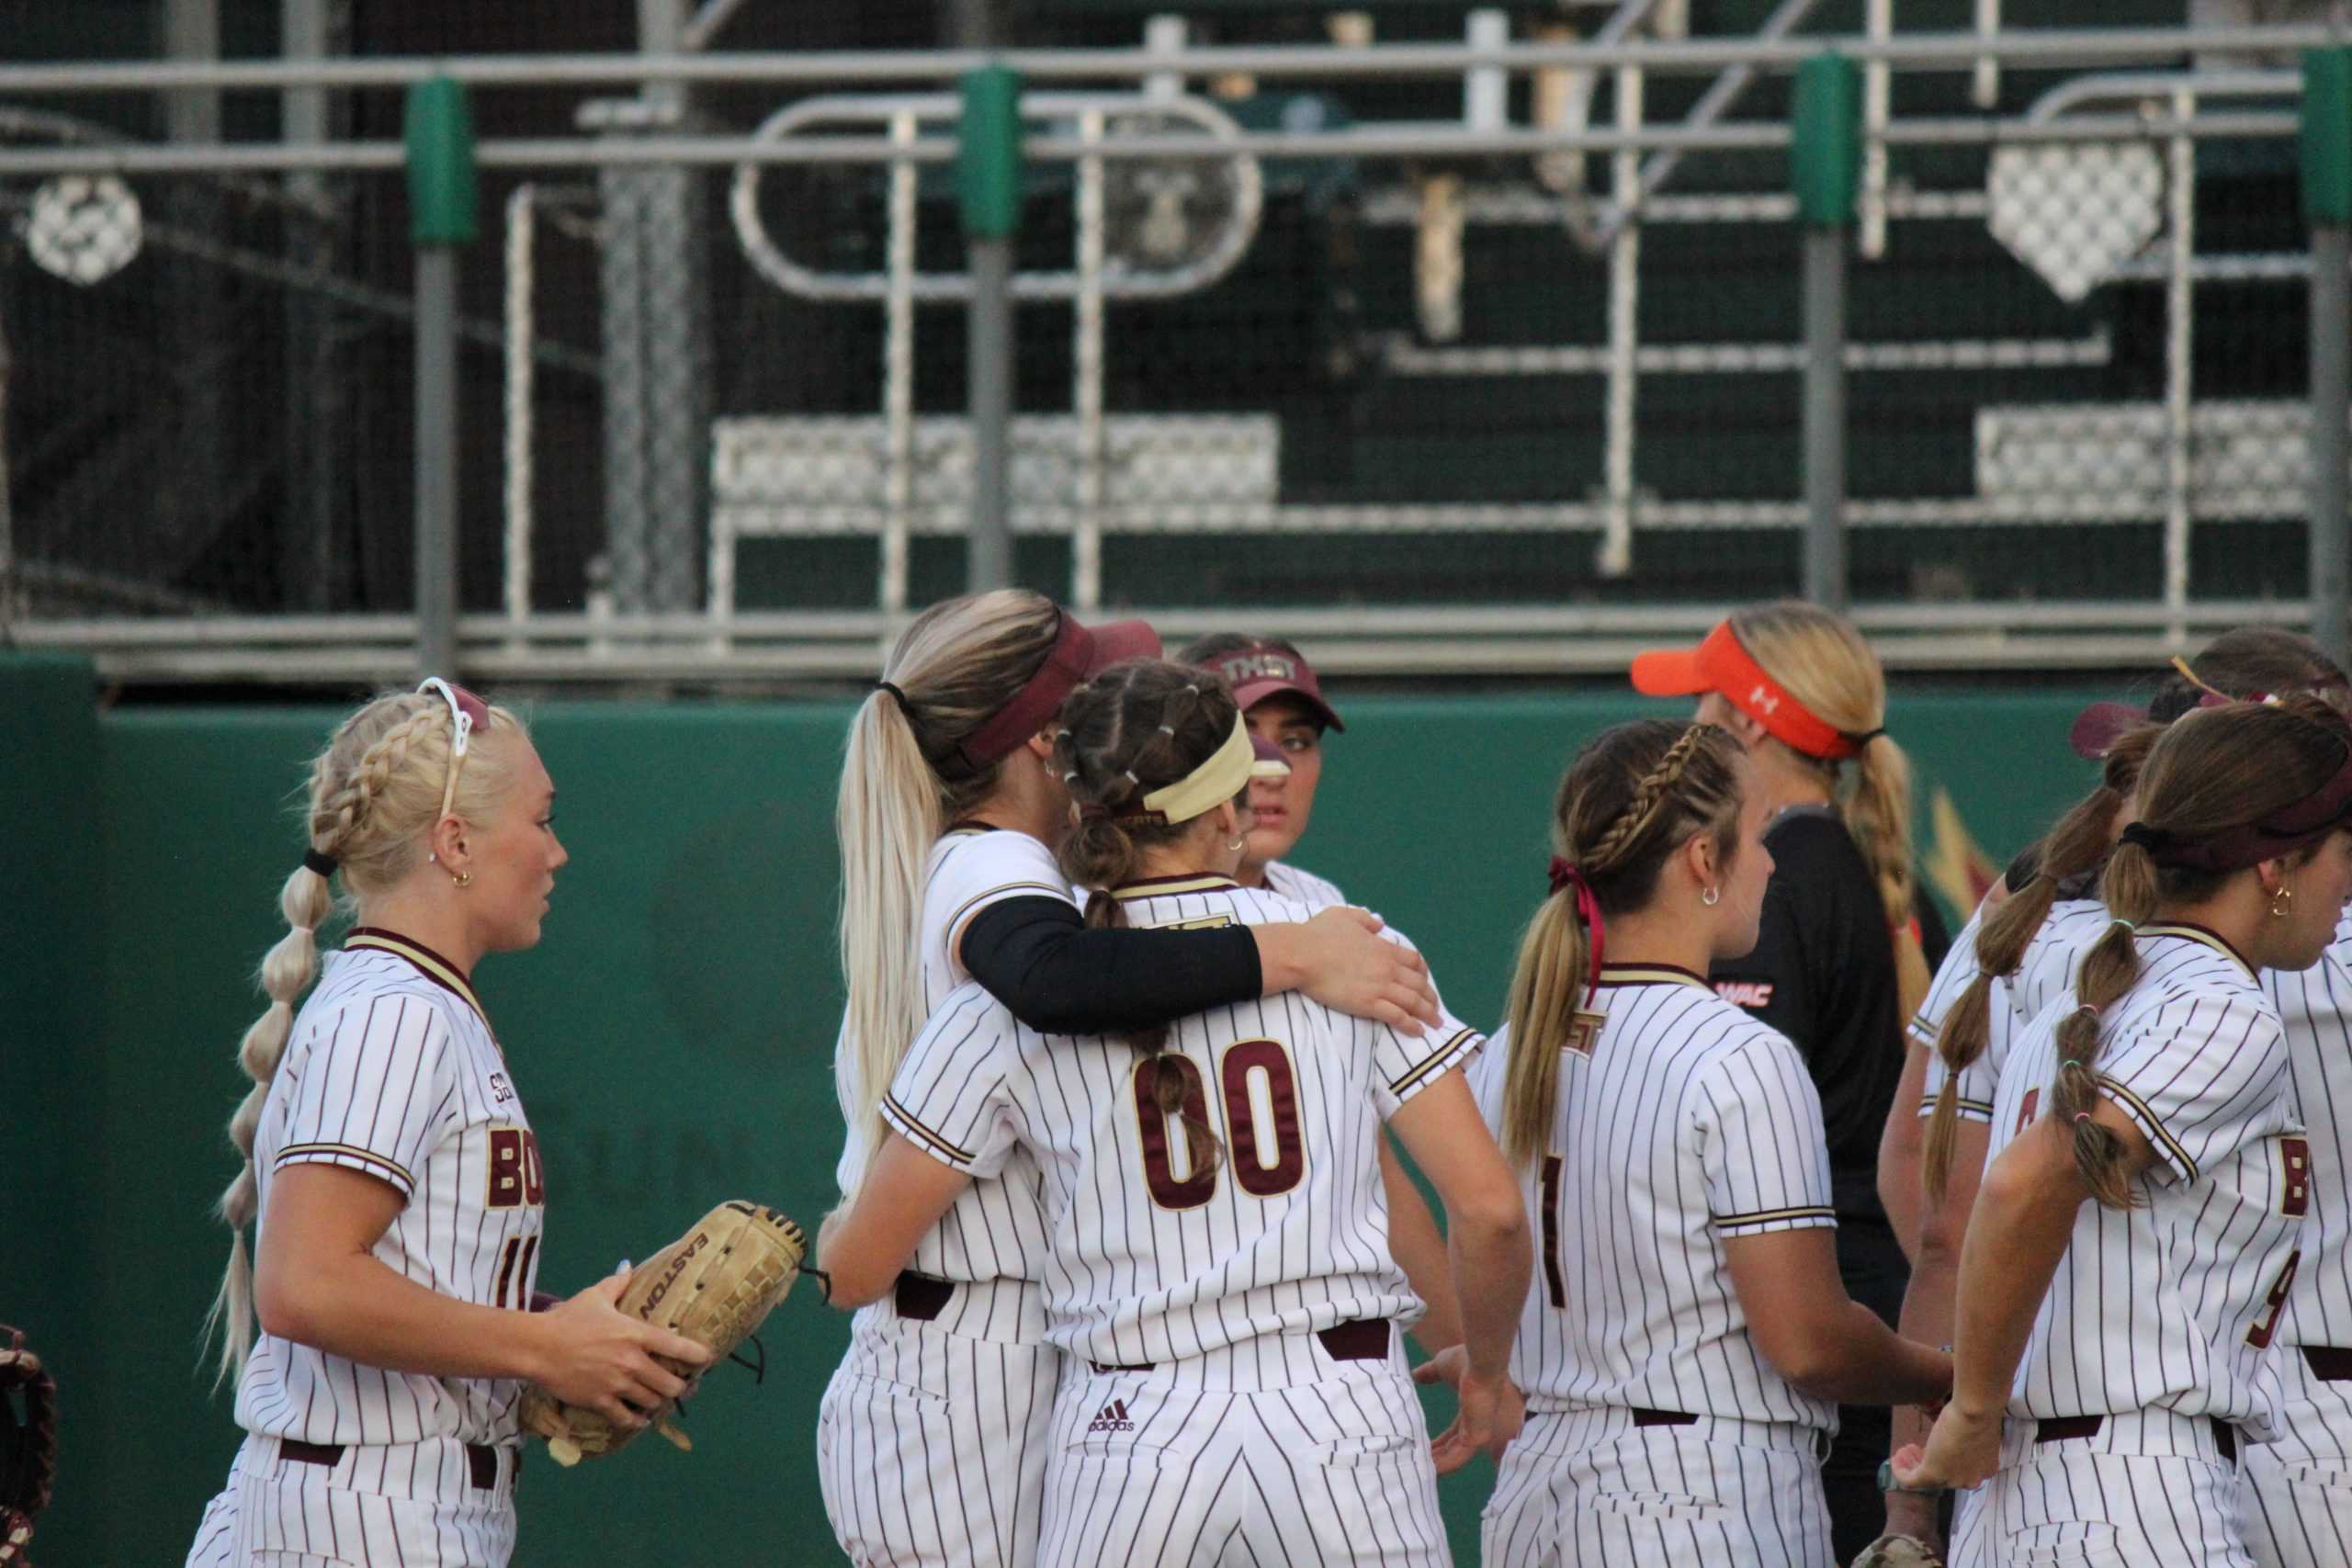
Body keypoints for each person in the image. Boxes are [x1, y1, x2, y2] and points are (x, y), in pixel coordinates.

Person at [819, 659, 1532, 1567]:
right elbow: (1490, 1210)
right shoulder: (1353, 950)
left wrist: (818, 1261)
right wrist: (1490, 1369)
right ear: (1231, 807)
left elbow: (860, 1268)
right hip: (1339, 1408)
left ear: (1077, 808)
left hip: (1129, 1425)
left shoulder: (1007, 1000)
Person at [183, 682, 710, 1568]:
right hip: (360, 1517)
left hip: (390, 1506)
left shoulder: (419, 1003)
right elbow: (304, 1283)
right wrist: (545, 1348)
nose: (558, 852)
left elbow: (394, 1276)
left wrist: (586, 1337)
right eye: (542, 820)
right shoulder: (394, 1012)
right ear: (455, 841)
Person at [1881, 629, 2349, 1561]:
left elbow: (1958, 1209)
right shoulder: (2216, 1004)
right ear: (2272, 867)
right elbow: (2018, 1187)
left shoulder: (2080, 976)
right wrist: (1970, 1406)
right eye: (2340, 848)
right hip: (2133, 1482)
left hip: (2034, 1491)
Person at [1456, 717, 1950, 1566]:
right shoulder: (1740, 1056)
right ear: (1700, 860)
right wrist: (1947, 1376)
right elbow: (1808, 1340)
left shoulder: (1512, 1046)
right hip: (1698, 1498)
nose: (1769, 862)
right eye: (1757, 836)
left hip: (1539, 1489)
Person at [1628, 602, 1931, 1559]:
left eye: (1704, 702)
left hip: (1815, 1315)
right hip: (1869, 1297)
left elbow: (1738, 1123)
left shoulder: (1777, 881)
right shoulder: (1880, 869)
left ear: (1751, 719)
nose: (1691, 726)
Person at [1179, 633, 1349, 905]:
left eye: (1294, 742)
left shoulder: (1325, 902)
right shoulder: (1097, 918)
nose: (1273, 774)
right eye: (1241, 740)